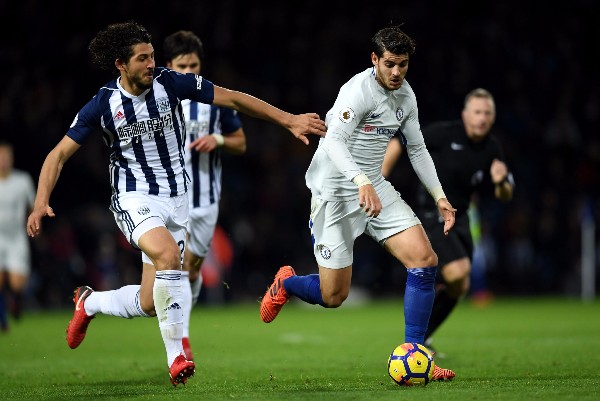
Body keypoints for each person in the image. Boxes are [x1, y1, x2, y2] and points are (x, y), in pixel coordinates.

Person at [26, 21, 326, 386]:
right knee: (169, 258)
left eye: (152, 56)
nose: (151, 64)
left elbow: (233, 98)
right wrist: (40, 202)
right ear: (121, 64)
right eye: (142, 58)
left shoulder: (170, 83)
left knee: (150, 303)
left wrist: (288, 119)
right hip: (134, 197)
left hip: (177, 198)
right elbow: (57, 155)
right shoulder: (103, 104)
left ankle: (89, 303)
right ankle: (177, 357)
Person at [259, 25, 457, 381]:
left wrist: (439, 196)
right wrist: (360, 180)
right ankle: (287, 284)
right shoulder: (357, 92)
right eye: (390, 64)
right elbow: (334, 142)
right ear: (374, 59)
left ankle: (417, 355)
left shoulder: (406, 97)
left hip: (373, 187)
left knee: (424, 260)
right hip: (335, 193)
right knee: (334, 296)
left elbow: (417, 148)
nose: (396, 72)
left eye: (403, 64)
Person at [381, 88, 514, 352]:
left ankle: (422, 338)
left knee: (459, 285)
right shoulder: (445, 133)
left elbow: (505, 195)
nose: (482, 118)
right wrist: (380, 175)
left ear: (493, 117)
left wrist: (501, 182)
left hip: (461, 217)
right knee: (457, 271)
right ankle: (423, 281)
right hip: (432, 212)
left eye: (487, 113)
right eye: (477, 112)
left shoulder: (492, 147)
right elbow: (401, 139)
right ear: (465, 114)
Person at [162, 30, 247, 362]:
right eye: (182, 66)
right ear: (168, 66)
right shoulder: (158, 100)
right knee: (178, 267)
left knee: (193, 271)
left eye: (194, 66)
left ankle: (181, 330)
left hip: (207, 200)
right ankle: (180, 339)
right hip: (171, 199)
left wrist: (218, 140)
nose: (189, 72)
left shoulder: (213, 99)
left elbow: (241, 142)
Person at [0, 141, 35, 332]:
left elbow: (32, 207)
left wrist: (34, 226)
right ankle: (3, 320)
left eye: (7, 156)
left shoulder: (22, 181)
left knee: (16, 283)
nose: (3, 160)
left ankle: (17, 301)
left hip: (16, 238)